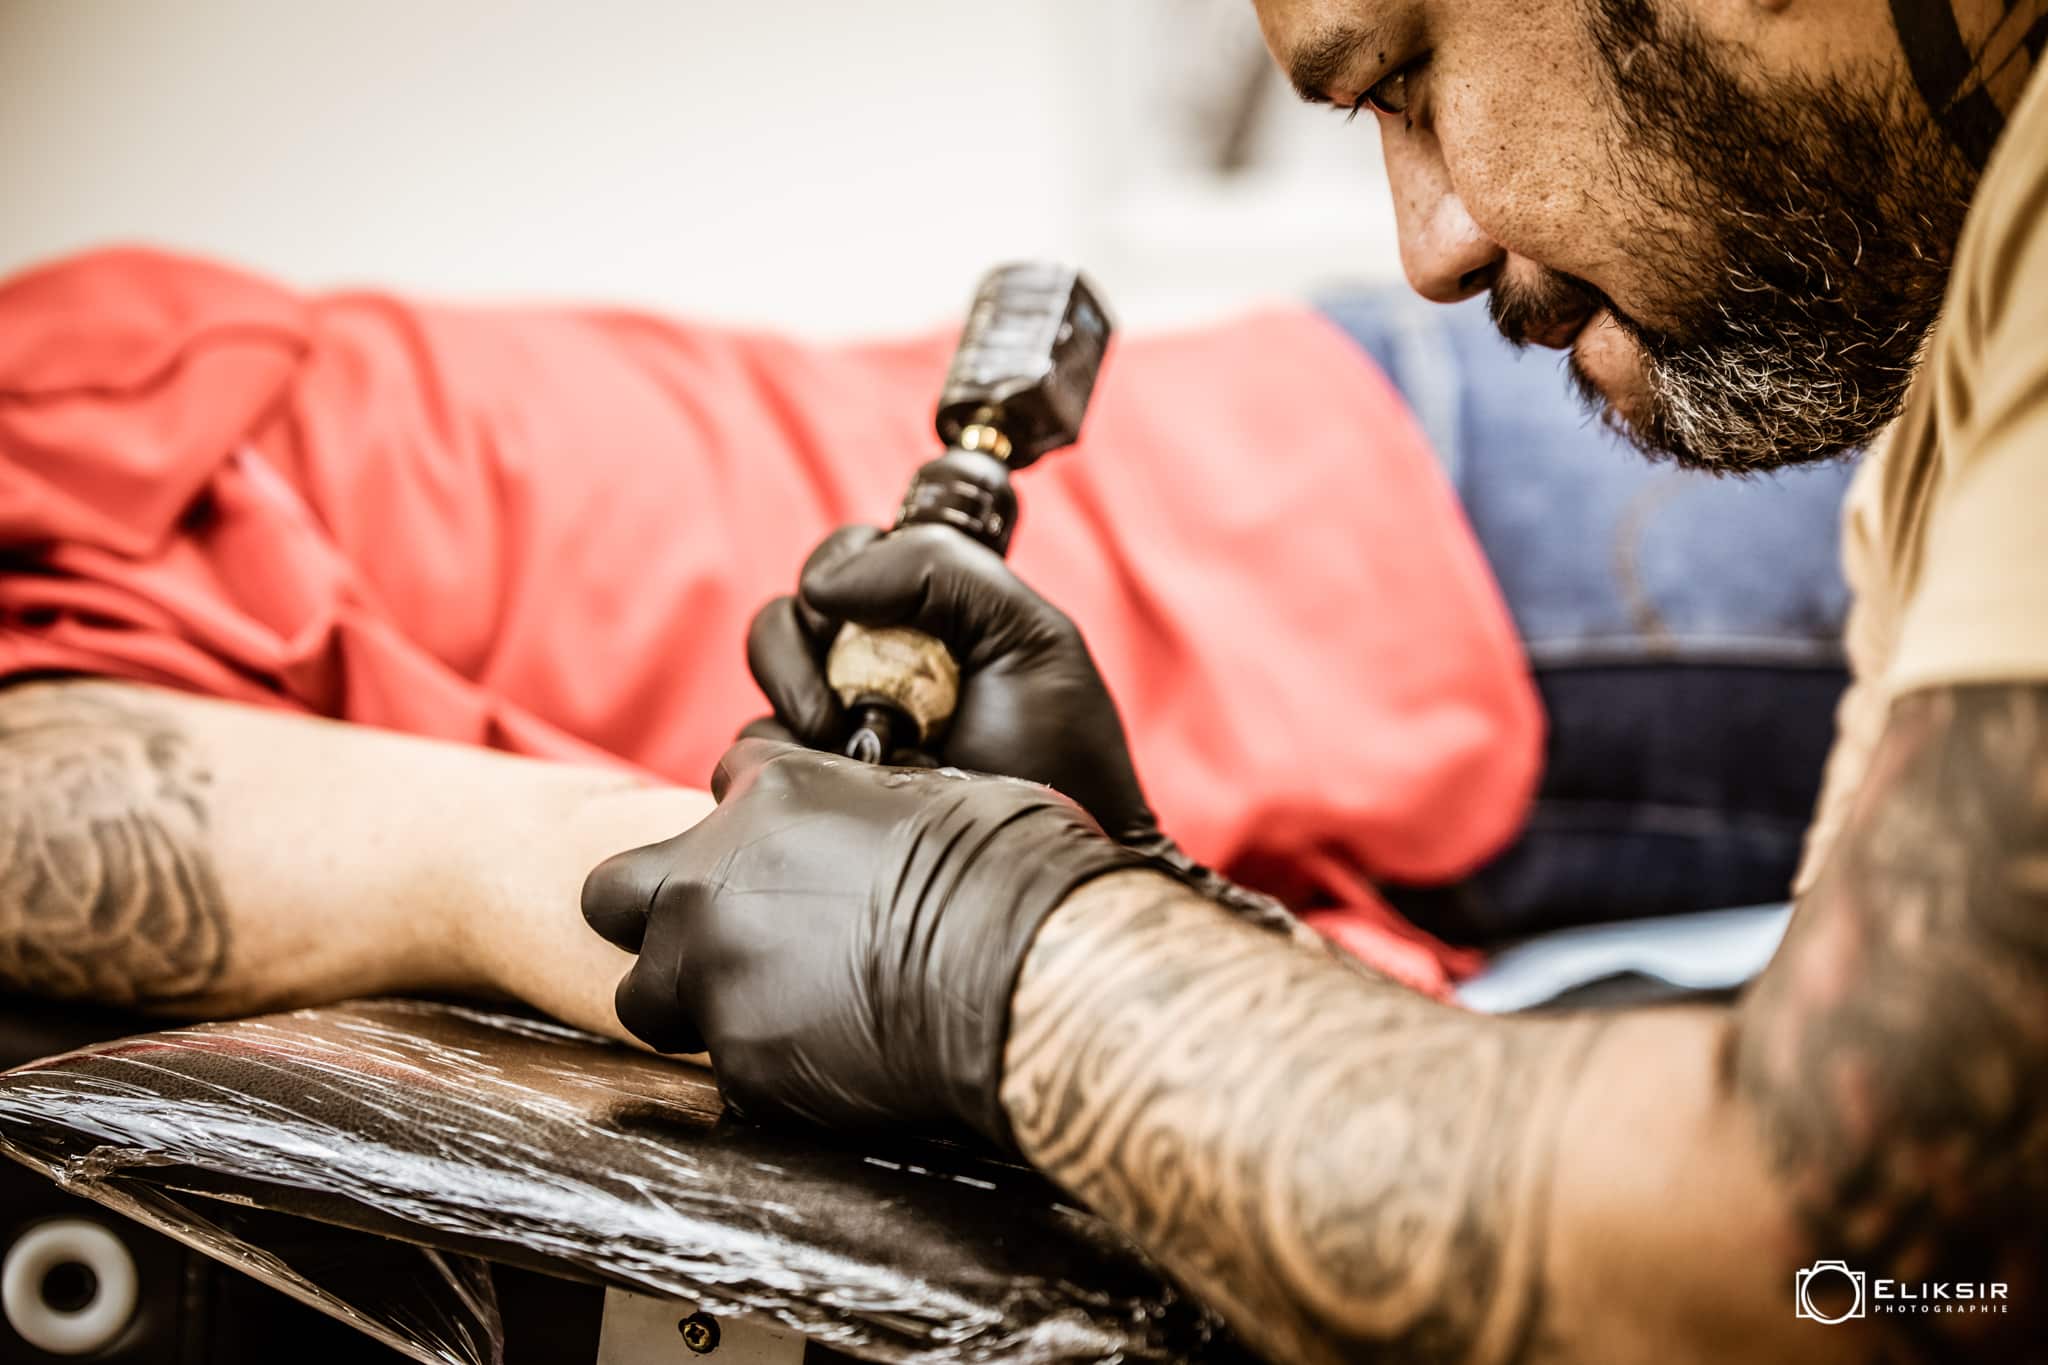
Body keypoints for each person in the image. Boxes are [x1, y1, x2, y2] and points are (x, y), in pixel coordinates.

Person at [580, 1, 2048, 1362]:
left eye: (1408, 77)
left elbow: (1854, 1263)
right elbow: (1872, 1194)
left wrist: (1023, 970)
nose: (1429, 250)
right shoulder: (1971, 349)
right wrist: (1165, 911)